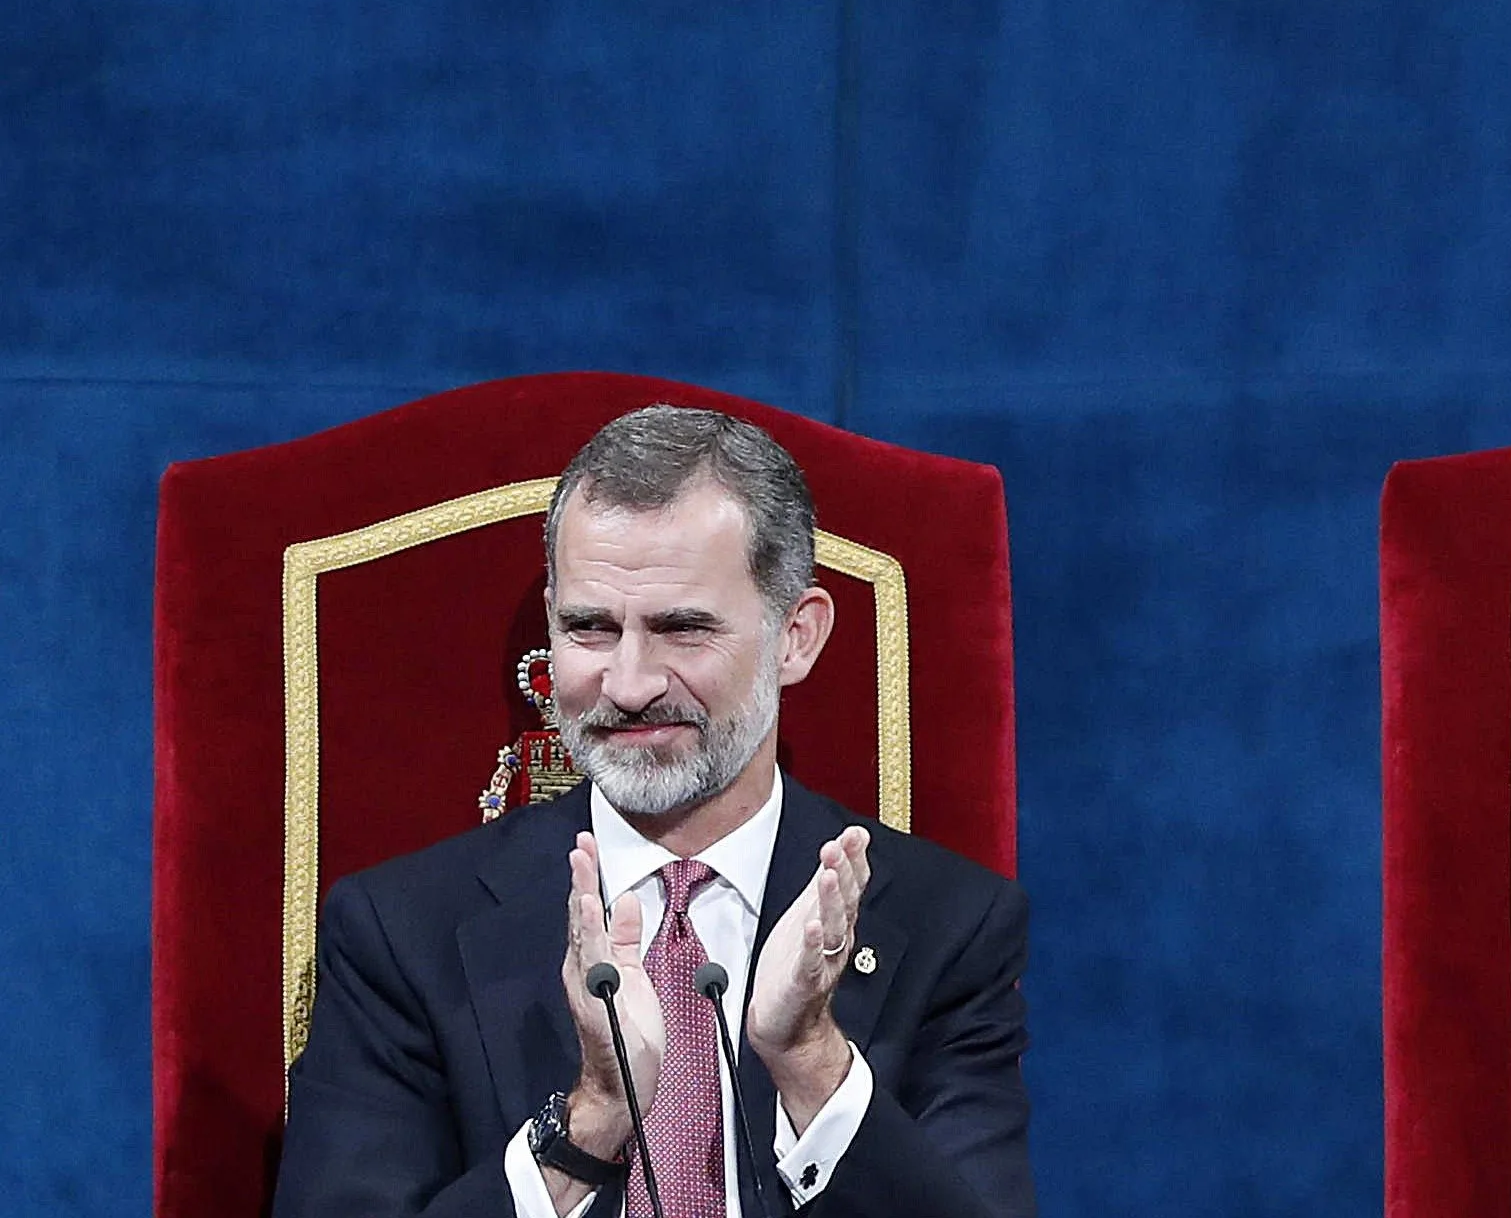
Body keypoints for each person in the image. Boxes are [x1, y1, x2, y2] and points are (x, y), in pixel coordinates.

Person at [272, 405, 1035, 1218]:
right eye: (590, 628)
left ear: (797, 637)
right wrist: (589, 1124)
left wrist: (812, 1062)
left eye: (682, 628)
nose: (629, 684)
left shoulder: (950, 927)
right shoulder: (402, 933)